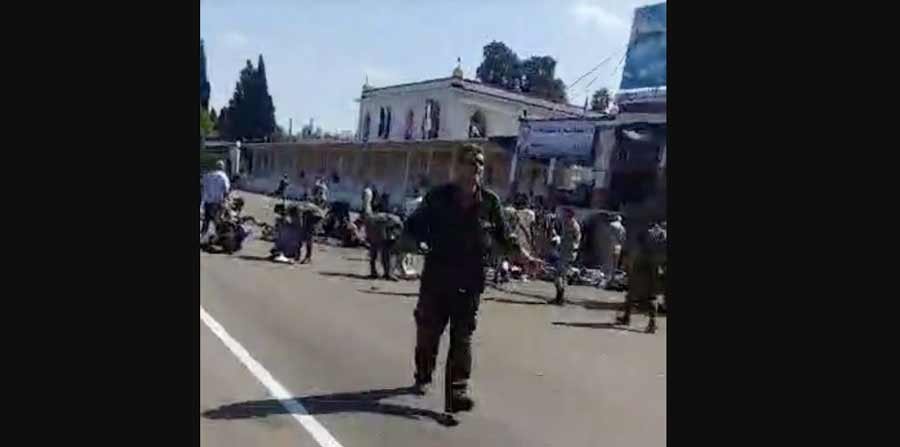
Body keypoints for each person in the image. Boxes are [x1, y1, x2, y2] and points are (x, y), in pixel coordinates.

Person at [402, 143, 543, 413]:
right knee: (428, 334)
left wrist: (525, 258)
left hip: (470, 279)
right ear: (458, 167)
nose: (477, 167)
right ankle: (423, 373)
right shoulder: (438, 197)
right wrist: (414, 243)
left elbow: (505, 237)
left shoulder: (490, 202)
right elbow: (413, 227)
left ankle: (457, 393)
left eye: (480, 163)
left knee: (462, 337)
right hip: (437, 278)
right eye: (470, 162)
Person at [551, 207, 581, 305]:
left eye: (565, 214)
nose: (563, 215)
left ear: (569, 215)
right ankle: (559, 298)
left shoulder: (574, 225)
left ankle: (560, 299)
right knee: (560, 276)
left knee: (559, 275)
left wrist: (573, 251)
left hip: (568, 253)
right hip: (564, 252)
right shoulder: (566, 224)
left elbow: (577, 240)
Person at [201, 160, 231, 236]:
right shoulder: (223, 176)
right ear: (223, 168)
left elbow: (203, 187)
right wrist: (227, 199)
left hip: (207, 202)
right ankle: (218, 237)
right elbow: (226, 189)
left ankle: (202, 235)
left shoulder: (208, 175)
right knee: (217, 221)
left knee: (206, 221)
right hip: (217, 202)